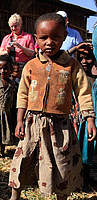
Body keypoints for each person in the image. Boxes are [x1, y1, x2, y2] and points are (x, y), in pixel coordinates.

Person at [9, 13, 97, 200]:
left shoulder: (71, 66)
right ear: (35, 39)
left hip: (60, 126)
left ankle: (61, 196)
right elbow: (22, 94)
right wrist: (19, 120)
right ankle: (14, 195)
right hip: (32, 123)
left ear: (64, 36)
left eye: (55, 37)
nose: (49, 42)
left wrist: (89, 118)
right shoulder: (31, 66)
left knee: (61, 163)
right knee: (23, 160)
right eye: (43, 37)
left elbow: (83, 92)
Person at [76, 43, 97, 186]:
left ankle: (89, 178)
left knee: (90, 149)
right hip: (79, 119)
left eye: (88, 58)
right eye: (81, 58)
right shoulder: (76, 76)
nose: (84, 61)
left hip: (92, 119)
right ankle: (80, 179)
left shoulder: (94, 79)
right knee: (80, 149)